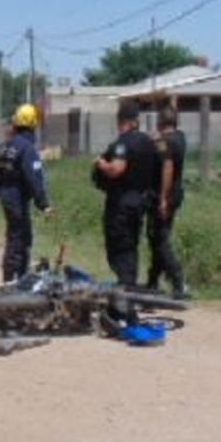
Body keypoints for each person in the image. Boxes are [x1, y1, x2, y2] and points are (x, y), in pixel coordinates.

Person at [0, 104, 52, 281]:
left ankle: (11, 277)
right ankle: (17, 280)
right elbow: (34, 178)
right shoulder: (27, 148)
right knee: (21, 241)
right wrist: (44, 204)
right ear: (33, 124)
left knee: (14, 238)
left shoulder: (5, 147)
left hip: (7, 198)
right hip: (18, 199)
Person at [93, 100, 157, 288]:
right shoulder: (147, 142)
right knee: (131, 245)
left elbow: (116, 169)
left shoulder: (122, 144)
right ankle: (129, 284)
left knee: (118, 245)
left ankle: (125, 287)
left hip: (121, 203)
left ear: (122, 120)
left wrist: (100, 163)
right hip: (139, 201)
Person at [146, 105, 191, 299]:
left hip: (164, 196)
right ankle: (153, 281)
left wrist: (162, 198)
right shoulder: (180, 138)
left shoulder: (165, 143)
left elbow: (167, 167)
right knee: (158, 238)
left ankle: (178, 281)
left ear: (160, 122)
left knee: (160, 240)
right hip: (176, 194)